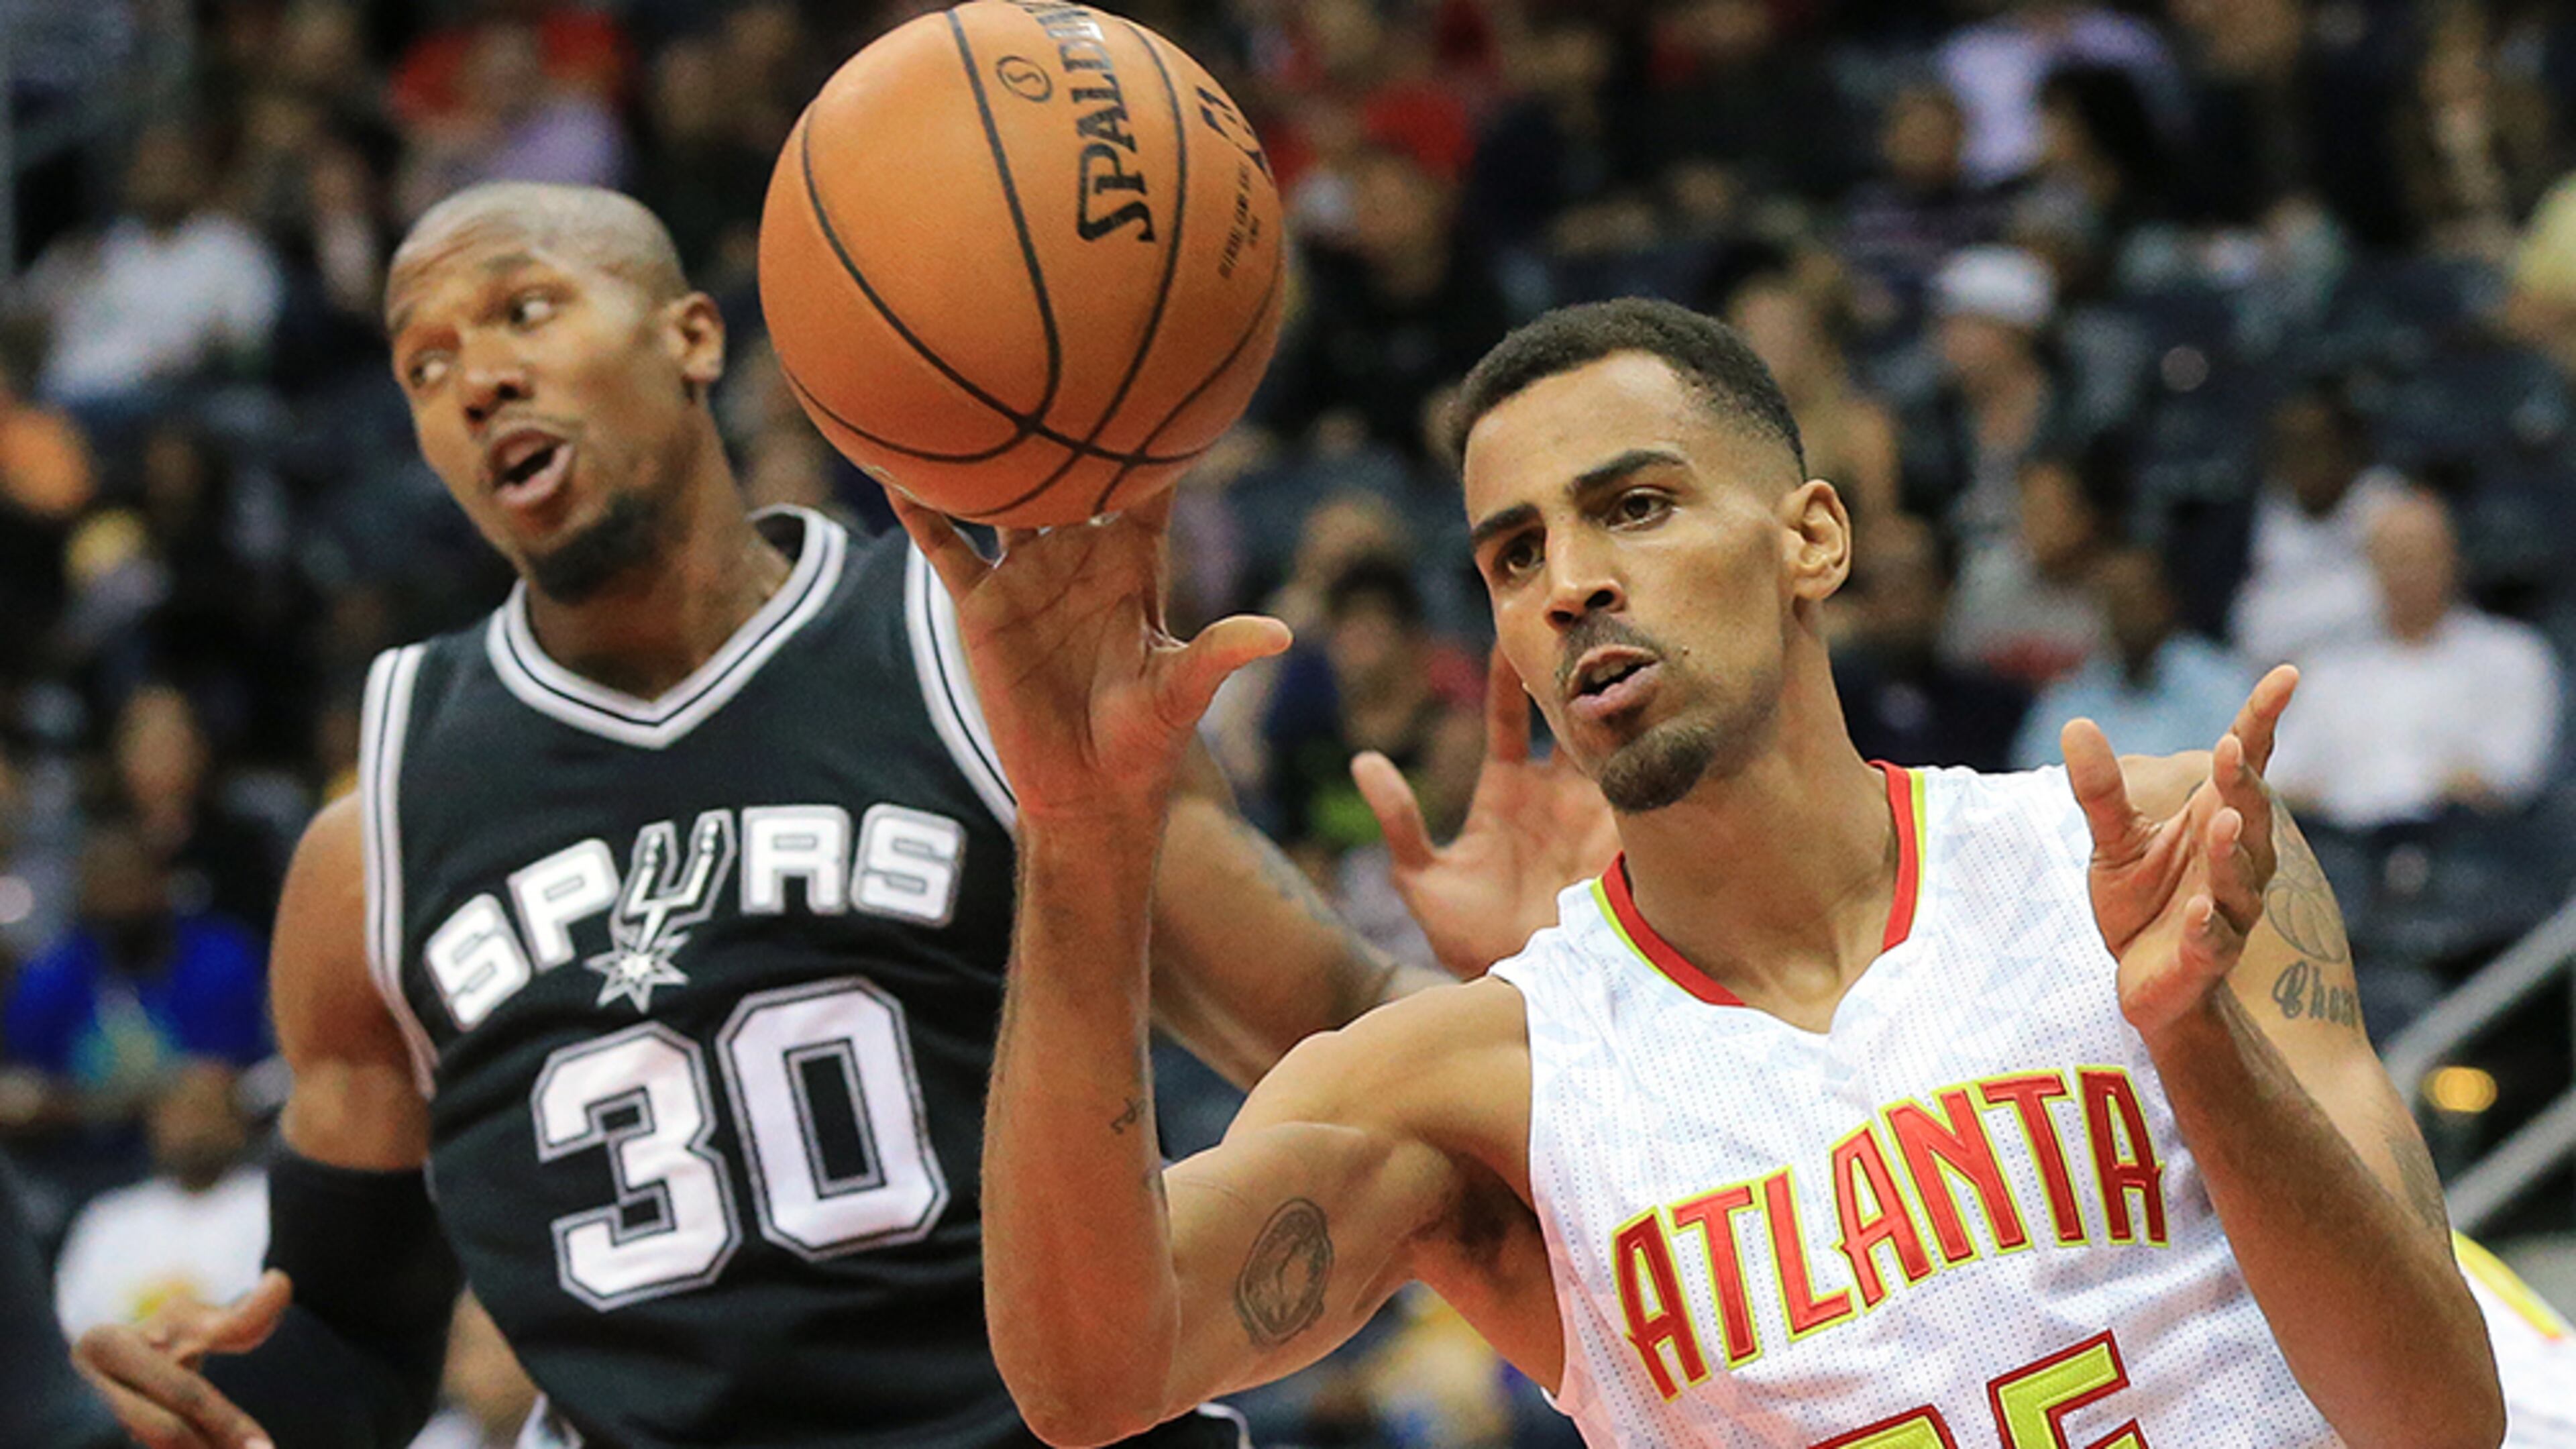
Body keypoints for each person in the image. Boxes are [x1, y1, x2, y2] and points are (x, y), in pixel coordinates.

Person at [67, 182, 1607, 1449]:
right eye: (421, 366)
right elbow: (350, 1324)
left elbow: (1338, 1032)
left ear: (688, 336)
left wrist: (1569, 975)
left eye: (524, 311)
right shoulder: (378, 826)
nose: (475, 379)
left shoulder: (970, 649)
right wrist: (230, 1401)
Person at [937, 298, 2504, 1447]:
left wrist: (2190, 1041)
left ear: (1810, 538)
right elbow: (1090, 1374)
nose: (1572, 582)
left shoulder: (2153, 852)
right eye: (1512, 554)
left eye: (1631, 504)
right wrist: (1081, 824)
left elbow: (2435, 1416)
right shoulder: (1483, 1083)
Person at [54, 1060, 269, 1338]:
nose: (191, 1130)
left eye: (204, 1112)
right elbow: (70, 1326)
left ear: (238, 1126)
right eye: (177, 1114)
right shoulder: (110, 1217)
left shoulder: (268, 1205)